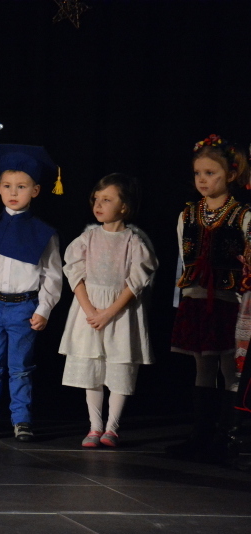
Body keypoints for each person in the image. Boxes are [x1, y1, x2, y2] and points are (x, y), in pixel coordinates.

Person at [0, 144, 63, 442]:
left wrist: (43, 308)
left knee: (20, 368)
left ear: (35, 191)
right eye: (7, 186)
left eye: (21, 187)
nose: (13, 192)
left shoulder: (44, 233)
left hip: (24, 307)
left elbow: (52, 274)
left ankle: (21, 420)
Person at [58, 173, 158, 447]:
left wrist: (108, 312)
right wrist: (91, 311)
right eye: (96, 199)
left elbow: (136, 282)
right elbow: (75, 275)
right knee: (92, 367)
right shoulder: (87, 238)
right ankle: (94, 426)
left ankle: (112, 428)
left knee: (118, 368)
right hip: (88, 311)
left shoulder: (133, 241)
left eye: (107, 200)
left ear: (124, 206)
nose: (98, 205)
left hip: (121, 313)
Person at [169, 134, 250, 461]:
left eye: (211, 173)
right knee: (202, 365)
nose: (202, 180)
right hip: (197, 298)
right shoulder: (188, 214)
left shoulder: (243, 214)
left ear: (231, 174)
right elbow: (183, 257)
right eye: (198, 173)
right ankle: (200, 436)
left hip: (231, 302)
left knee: (231, 368)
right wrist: (183, 296)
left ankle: (227, 438)